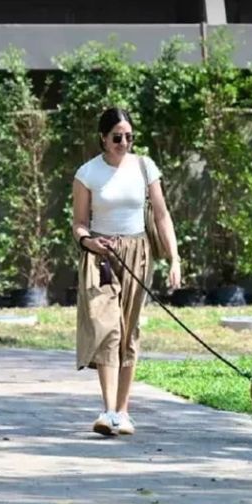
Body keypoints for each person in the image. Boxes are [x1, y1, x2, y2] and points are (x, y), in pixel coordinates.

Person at [72, 107, 182, 436]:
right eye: (117, 137)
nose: (124, 143)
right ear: (103, 138)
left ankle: (123, 410)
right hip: (100, 255)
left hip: (137, 251)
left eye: (129, 137)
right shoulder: (87, 173)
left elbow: (162, 216)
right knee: (107, 327)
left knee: (129, 330)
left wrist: (174, 257)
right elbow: (78, 224)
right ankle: (107, 411)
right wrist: (90, 242)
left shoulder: (145, 167)